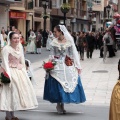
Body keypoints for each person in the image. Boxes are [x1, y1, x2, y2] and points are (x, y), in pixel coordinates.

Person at [43, 25, 86, 114]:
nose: (54, 33)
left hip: (66, 63)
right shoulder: (54, 42)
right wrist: (49, 65)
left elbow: (71, 54)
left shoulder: (69, 42)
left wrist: (74, 64)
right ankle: (59, 104)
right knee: (58, 83)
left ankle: (62, 103)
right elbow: (52, 55)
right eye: (54, 32)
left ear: (61, 32)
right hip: (57, 63)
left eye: (55, 31)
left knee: (67, 82)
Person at [0, 32, 38, 120]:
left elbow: (22, 60)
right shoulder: (6, 49)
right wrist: (8, 75)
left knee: (15, 93)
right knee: (8, 93)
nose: (17, 40)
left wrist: (25, 71)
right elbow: (5, 62)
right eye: (14, 38)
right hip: (9, 71)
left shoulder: (19, 47)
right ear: (10, 39)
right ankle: (8, 115)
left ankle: (12, 115)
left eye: (18, 38)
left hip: (18, 71)